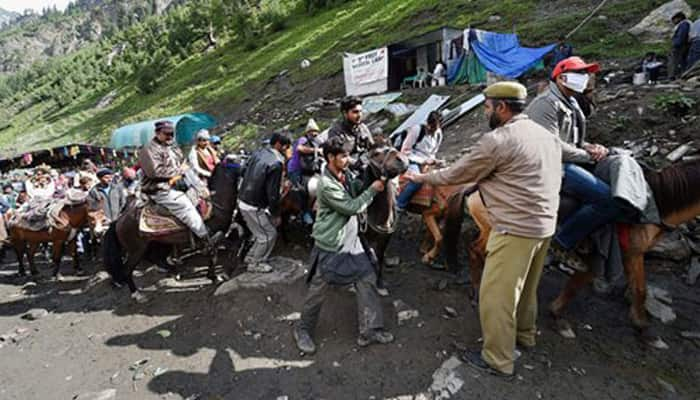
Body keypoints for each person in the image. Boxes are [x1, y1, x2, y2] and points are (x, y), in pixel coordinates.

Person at [407, 82, 563, 378]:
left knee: (496, 294)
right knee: (527, 286)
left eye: (488, 107)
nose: (485, 112)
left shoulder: (498, 140)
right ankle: (525, 335)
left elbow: (456, 174)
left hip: (514, 226)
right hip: (544, 225)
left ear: (502, 108)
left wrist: (420, 177)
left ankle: (498, 359)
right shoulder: (546, 135)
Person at [526, 56, 632, 271]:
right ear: (562, 78)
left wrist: (592, 147)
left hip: (568, 158)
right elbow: (551, 146)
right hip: (550, 166)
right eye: (580, 74)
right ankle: (562, 242)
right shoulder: (545, 104)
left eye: (585, 74)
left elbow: (573, 140)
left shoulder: (571, 102)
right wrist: (588, 156)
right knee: (608, 200)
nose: (585, 78)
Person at [294, 136, 394, 354]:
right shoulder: (327, 184)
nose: (348, 160)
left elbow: (356, 187)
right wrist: (373, 190)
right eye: (344, 156)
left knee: (367, 277)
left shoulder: (344, 174)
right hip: (331, 244)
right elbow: (352, 206)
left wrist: (369, 179)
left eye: (349, 155)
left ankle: (370, 330)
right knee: (319, 288)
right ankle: (303, 329)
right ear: (330, 157)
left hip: (351, 238)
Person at [139, 120, 223, 249]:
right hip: (159, 189)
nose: (170, 137)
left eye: (172, 134)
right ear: (157, 133)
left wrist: (199, 187)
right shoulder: (149, 149)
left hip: (179, 184)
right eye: (166, 134)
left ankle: (191, 235)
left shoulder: (172, 146)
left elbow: (185, 166)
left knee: (204, 200)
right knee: (185, 206)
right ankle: (205, 237)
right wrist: (179, 171)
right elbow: (154, 172)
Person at [238, 133, 290, 273]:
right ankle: (256, 263)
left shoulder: (259, 152)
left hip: (243, 199)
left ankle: (250, 257)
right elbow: (272, 193)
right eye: (286, 147)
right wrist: (276, 213)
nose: (287, 151)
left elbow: (243, 171)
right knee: (269, 234)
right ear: (279, 145)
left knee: (259, 232)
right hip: (254, 205)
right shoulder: (276, 163)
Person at [395, 111, 444, 212]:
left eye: (435, 128)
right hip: (411, 159)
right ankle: (399, 204)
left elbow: (433, 151)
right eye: (431, 126)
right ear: (427, 122)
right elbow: (405, 151)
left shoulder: (438, 134)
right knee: (417, 180)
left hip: (427, 161)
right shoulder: (417, 130)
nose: (431, 130)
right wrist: (423, 161)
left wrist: (433, 161)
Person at [287, 119, 322, 225]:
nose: (314, 133)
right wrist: (316, 151)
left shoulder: (315, 142)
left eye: (316, 131)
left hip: (308, 169)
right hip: (295, 169)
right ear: (307, 132)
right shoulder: (303, 140)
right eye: (312, 131)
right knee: (300, 190)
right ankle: (304, 212)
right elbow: (299, 148)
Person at [327, 96, 374, 169]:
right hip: (346, 170)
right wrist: (357, 163)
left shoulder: (363, 128)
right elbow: (338, 157)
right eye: (355, 112)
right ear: (345, 113)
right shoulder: (336, 131)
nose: (359, 115)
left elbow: (373, 148)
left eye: (360, 111)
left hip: (365, 165)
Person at [670, 12, 691, 80]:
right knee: (681, 62)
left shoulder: (684, 24)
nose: (673, 22)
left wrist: (675, 44)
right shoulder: (686, 24)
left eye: (674, 20)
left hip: (681, 46)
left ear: (679, 18)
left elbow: (681, 36)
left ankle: (676, 76)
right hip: (684, 45)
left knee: (678, 62)